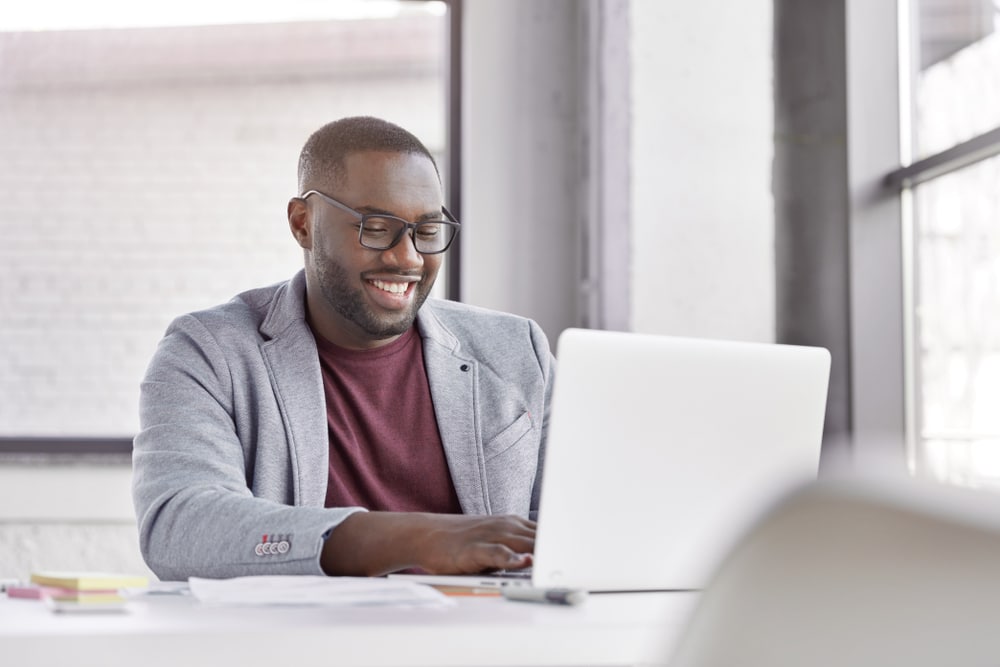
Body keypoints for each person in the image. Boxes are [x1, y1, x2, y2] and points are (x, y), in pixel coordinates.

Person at [132, 116, 554, 581]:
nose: (408, 257)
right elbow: (179, 527)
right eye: (376, 227)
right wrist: (417, 539)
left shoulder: (517, 350)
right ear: (302, 223)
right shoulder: (209, 352)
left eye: (427, 231)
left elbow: (578, 525)